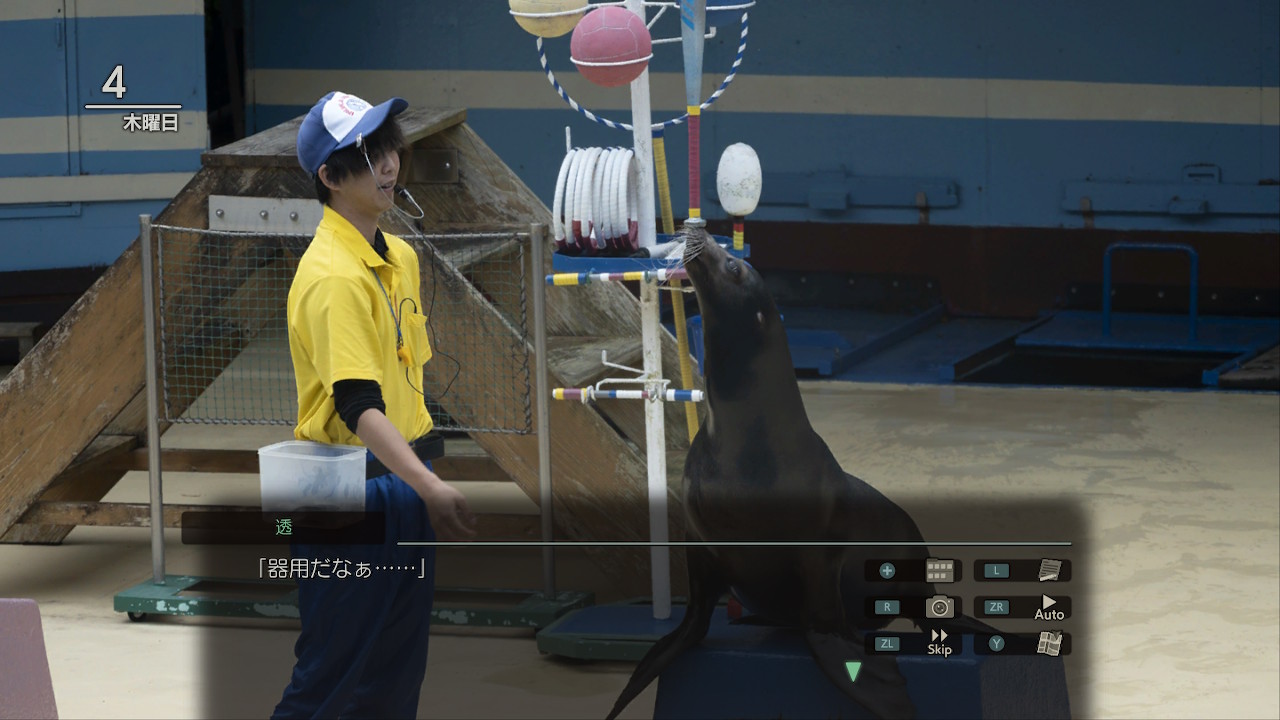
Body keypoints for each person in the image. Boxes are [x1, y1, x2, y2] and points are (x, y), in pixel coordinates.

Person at [273, 91, 476, 719]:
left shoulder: (399, 258)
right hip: (343, 489)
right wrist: (429, 486)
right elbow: (359, 404)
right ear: (331, 179)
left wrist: (419, 482)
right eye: (367, 156)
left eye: (388, 147)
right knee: (330, 674)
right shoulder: (333, 276)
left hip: (402, 480)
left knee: (394, 673)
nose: (388, 164)